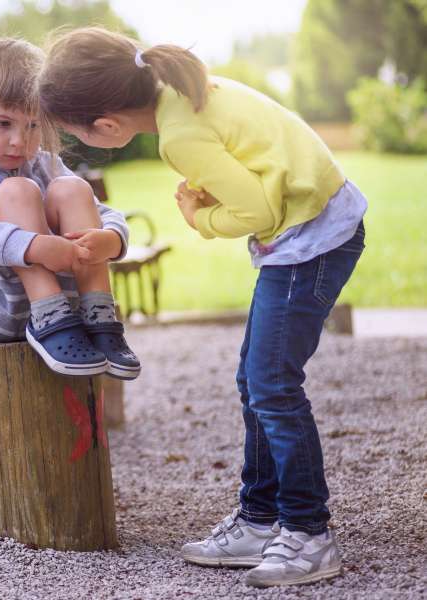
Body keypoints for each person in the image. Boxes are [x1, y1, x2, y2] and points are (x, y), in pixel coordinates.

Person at [37, 27, 366, 588]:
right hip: (316, 225)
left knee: (272, 385)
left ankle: (309, 533)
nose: (77, 144)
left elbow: (260, 212)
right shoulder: (186, 89)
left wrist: (200, 220)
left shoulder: (178, 135)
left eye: (76, 135)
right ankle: (261, 519)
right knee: (256, 380)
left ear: (108, 125)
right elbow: (261, 163)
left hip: (310, 243)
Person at [0, 38, 141, 380]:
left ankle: (100, 314)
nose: (20, 140)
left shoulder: (43, 162)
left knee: (72, 188)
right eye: (4, 124)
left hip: (68, 310)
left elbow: (99, 210)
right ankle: (49, 316)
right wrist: (32, 246)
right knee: (18, 191)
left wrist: (112, 238)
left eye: (33, 125)